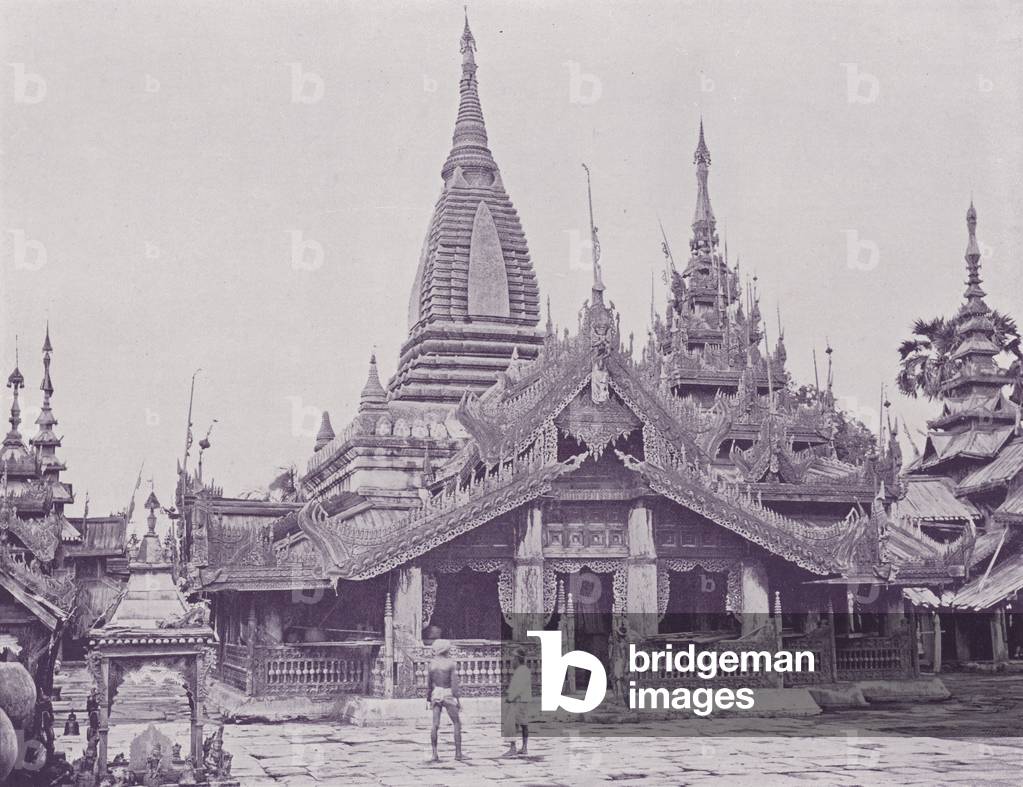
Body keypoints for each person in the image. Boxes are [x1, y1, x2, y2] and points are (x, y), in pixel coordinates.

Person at [426, 639, 462, 762]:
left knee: (435, 725)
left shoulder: (432, 664)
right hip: (447, 692)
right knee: (457, 723)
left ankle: (434, 753)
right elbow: (454, 685)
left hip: (436, 692)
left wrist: (428, 699)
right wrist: (457, 699)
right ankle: (458, 753)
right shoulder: (450, 664)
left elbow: (429, 684)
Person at [503, 647, 531, 757]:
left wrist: (511, 697)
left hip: (518, 701)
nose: (512, 660)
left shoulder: (521, 671)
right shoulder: (524, 670)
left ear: (517, 658)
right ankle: (524, 747)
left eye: (514, 658)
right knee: (524, 724)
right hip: (523, 700)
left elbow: (519, 688)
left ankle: (513, 748)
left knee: (513, 724)